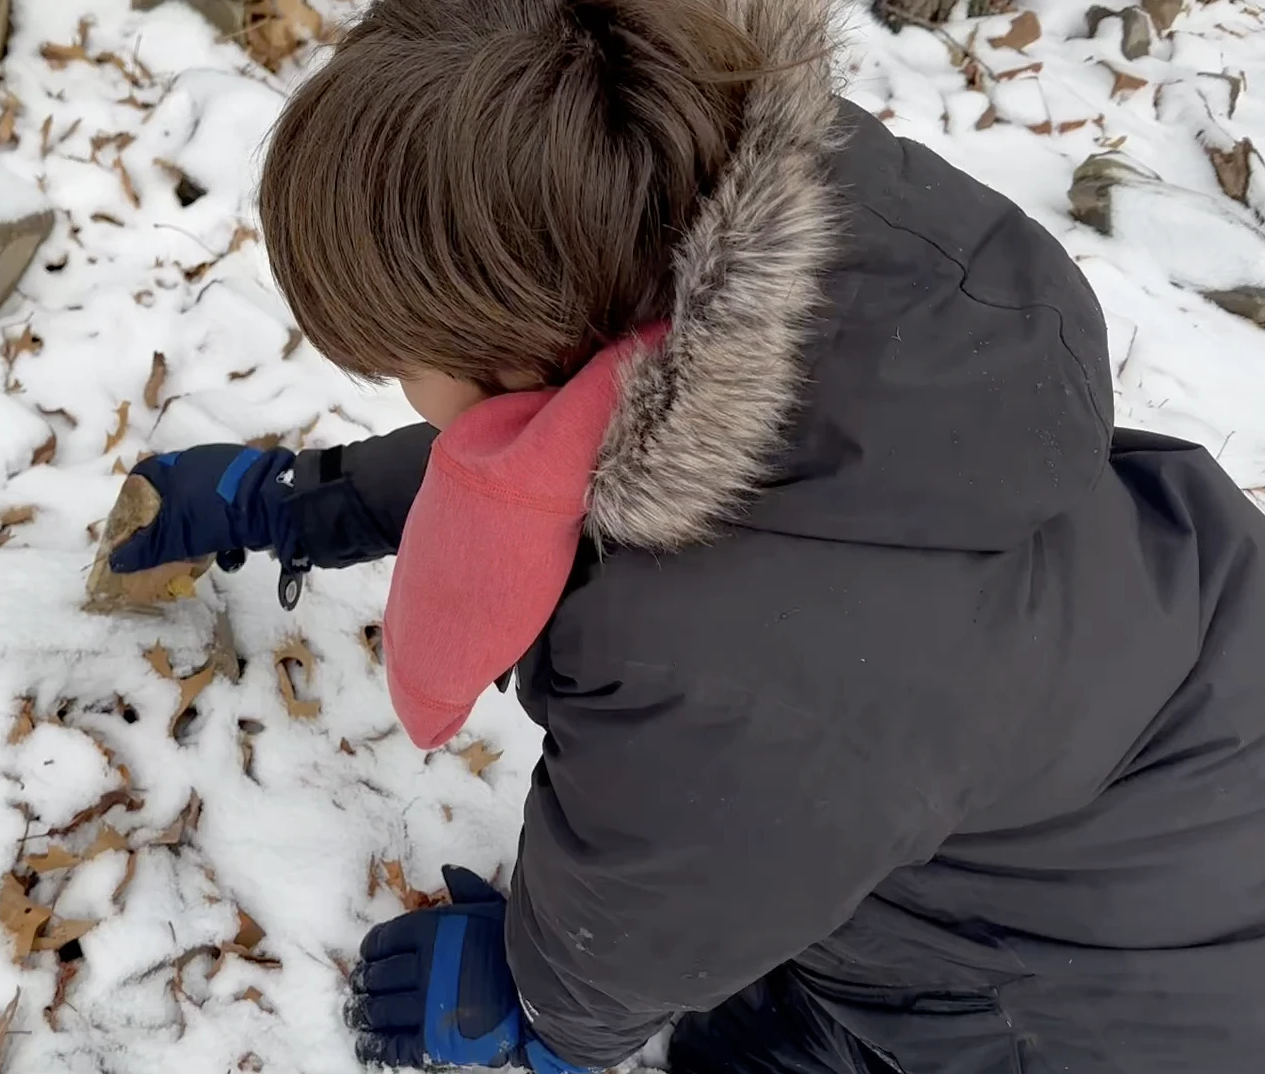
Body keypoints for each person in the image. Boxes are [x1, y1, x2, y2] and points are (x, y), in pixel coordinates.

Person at [108, 0, 1265, 1071]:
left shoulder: (724, 657)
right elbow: (548, 446)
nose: (401, 388)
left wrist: (539, 1009)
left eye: (400, 365)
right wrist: (307, 498)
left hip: (1094, 988)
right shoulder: (786, 245)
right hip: (1174, 723)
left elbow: (669, 900)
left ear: (516, 347)